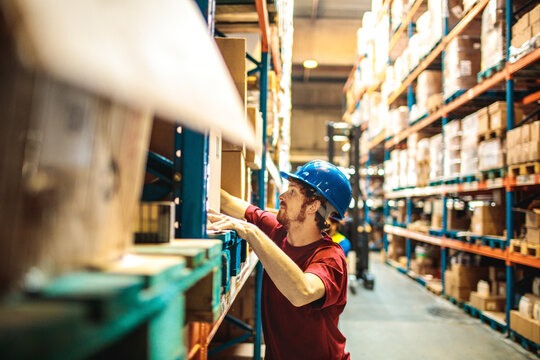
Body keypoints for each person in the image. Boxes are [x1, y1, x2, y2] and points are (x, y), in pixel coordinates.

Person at [208, 160, 352, 360]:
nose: (281, 196)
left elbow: (302, 292)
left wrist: (252, 233)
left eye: (292, 191)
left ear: (313, 206)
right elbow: (227, 203)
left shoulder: (331, 258)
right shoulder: (278, 231)